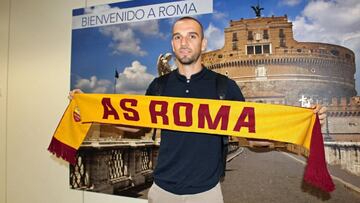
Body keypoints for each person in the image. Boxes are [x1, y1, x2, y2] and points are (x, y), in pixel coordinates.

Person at [69, 16, 327, 203]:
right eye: (178, 37)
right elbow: (136, 126)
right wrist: (88, 109)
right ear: (172, 44)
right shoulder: (159, 85)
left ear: (203, 44)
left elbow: (249, 136)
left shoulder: (224, 87)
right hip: (161, 191)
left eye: (192, 36)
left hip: (206, 194)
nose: (184, 43)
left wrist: (305, 121)